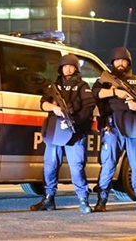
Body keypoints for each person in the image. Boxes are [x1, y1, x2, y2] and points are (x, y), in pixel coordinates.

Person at [92, 47, 136, 212]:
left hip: (133, 125)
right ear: (112, 62)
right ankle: (102, 200)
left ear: (128, 62)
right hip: (112, 126)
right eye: (117, 60)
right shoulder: (107, 80)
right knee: (108, 164)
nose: (120, 63)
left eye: (123, 60)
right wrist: (115, 92)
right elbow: (95, 93)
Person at [30, 54, 96, 213]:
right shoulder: (54, 86)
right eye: (65, 66)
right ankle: (49, 199)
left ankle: (83, 199)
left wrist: (75, 121)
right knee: (50, 166)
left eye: (71, 66)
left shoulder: (82, 86)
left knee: (77, 167)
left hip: (75, 132)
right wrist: (55, 108)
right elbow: (43, 104)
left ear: (76, 68)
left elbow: (88, 108)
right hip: (54, 131)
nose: (68, 68)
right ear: (60, 68)